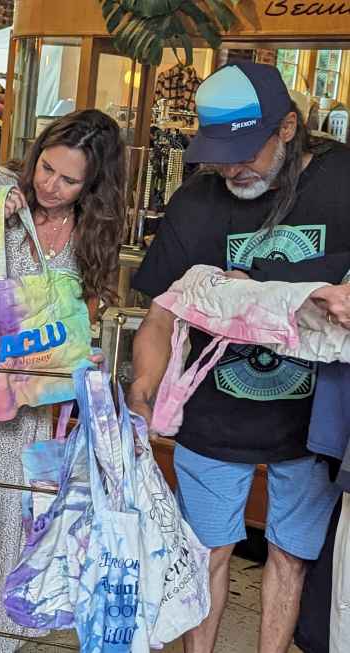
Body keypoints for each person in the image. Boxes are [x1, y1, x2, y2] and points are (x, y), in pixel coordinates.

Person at [128, 61, 350, 653]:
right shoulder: (198, 202)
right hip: (212, 415)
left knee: (291, 555)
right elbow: (158, 317)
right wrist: (144, 386)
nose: (230, 166)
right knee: (206, 552)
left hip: (314, 423)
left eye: (244, 150)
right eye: (217, 150)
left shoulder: (343, 180)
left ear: (287, 128)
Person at [0, 109, 126, 652]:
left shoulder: (94, 230)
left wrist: (81, 354)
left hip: (26, 395)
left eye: (68, 179)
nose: (50, 185)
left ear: (94, 185)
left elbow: (86, 308)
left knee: (9, 516)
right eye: (46, 168)